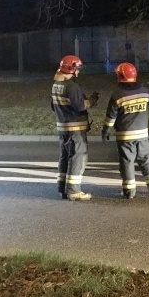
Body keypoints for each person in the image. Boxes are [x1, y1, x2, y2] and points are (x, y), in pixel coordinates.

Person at [101, 62, 149, 198]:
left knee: (127, 163)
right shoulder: (144, 91)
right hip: (143, 135)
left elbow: (111, 117)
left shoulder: (117, 94)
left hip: (125, 137)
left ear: (119, 76)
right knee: (146, 159)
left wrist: (105, 131)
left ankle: (129, 192)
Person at [51, 54, 99, 201]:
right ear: (71, 69)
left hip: (63, 128)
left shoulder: (56, 85)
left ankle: (63, 188)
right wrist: (92, 101)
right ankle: (73, 191)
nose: (78, 72)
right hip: (75, 130)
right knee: (78, 157)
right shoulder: (71, 86)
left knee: (65, 157)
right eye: (77, 69)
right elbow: (80, 106)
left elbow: (53, 106)